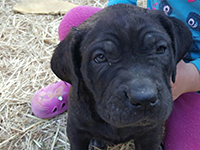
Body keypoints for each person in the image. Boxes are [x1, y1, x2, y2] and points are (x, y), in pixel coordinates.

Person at [31, 0, 200, 149]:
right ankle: (74, 82)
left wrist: (191, 77)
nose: (142, 94)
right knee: (74, 18)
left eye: (160, 49)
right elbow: (77, 134)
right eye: (101, 57)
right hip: (139, 32)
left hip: (189, 78)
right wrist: (111, 19)